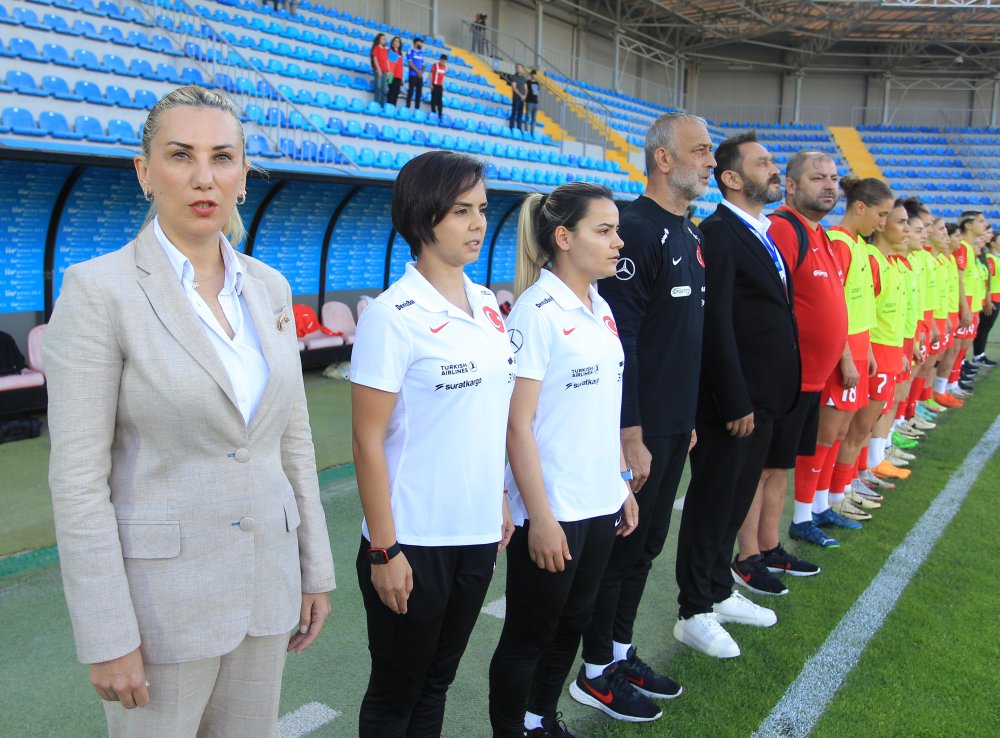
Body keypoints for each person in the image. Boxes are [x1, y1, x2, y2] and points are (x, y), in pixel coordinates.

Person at [45, 85, 335, 737]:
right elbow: (79, 482)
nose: (204, 177)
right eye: (180, 155)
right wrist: (106, 632)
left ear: (242, 174)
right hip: (160, 611)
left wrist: (313, 569)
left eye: (223, 157)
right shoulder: (98, 292)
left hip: (267, 586)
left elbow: (292, 441)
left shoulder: (269, 288)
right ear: (145, 173)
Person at [350, 151, 515, 737]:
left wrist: (496, 495)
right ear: (423, 217)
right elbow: (367, 443)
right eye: (460, 211)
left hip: (474, 533)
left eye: (482, 210)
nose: (477, 224)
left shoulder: (490, 305)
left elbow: (486, 416)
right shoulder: (392, 316)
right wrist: (384, 551)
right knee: (396, 695)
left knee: (436, 685)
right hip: (412, 540)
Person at [571, 113, 712, 722]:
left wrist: (686, 418)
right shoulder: (635, 228)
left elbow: (682, 338)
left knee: (647, 545)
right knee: (621, 549)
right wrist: (631, 433)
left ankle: (621, 652)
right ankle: (595, 670)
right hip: (641, 428)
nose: (710, 160)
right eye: (700, 150)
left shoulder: (691, 233)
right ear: (663, 158)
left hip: (675, 422)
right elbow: (622, 336)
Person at [488, 183, 641, 738]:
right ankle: (513, 730)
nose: (617, 242)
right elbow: (516, 423)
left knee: (572, 624)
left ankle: (540, 719)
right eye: (604, 230)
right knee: (530, 634)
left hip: (598, 500)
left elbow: (598, 411)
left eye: (615, 230)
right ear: (562, 238)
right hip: (552, 508)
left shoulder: (600, 307)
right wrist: (542, 516)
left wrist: (620, 484)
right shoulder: (536, 312)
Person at [672, 131, 799, 659]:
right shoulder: (720, 233)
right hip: (736, 403)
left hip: (763, 400)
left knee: (734, 501)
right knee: (712, 501)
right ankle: (694, 610)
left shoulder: (761, 230)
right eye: (763, 162)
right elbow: (716, 321)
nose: (773, 170)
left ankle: (719, 592)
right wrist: (734, 398)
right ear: (730, 178)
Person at [735, 151, 848, 573]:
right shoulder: (784, 229)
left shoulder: (819, 233)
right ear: (793, 186)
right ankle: (747, 556)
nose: (829, 185)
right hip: (784, 379)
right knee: (759, 471)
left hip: (811, 380)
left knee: (778, 467)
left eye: (834, 178)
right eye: (818, 178)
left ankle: (769, 546)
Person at [812, 178, 895, 531]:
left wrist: (868, 350)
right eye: (882, 213)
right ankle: (813, 507)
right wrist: (846, 355)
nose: (883, 222)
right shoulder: (839, 243)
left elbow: (859, 309)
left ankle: (833, 497)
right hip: (843, 354)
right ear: (859, 207)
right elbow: (833, 307)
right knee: (828, 436)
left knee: (845, 431)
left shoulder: (858, 247)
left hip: (861, 351)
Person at [405, 37, 425, 110]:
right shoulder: (410, 51)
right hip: (413, 74)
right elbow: (410, 62)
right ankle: (407, 107)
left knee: (419, 93)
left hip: (420, 76)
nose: (421, 44)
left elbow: (423, 64)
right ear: (416, 42)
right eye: (420, 43)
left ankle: (417, 109)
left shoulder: (421, 53)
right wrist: (417, 71)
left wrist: (422, 72)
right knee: (411, 91)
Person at [370, 33, 389, 106]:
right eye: (382, 39)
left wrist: (387, 71)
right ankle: (377, 104)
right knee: (378, 87)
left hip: (384, 71)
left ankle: (382, 105)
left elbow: (386, 60)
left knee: (384, 89)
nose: (384, 40)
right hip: (379, 71)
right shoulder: (376, 48)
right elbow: (375, 59)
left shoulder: (385, 50)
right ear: (379, 39)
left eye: (385, 39)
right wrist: (379, 69)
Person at [386, 36, 405, 106]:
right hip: (391, 74)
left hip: (399, 75)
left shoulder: (400, 53)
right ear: (392, 42)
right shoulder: (390, 50)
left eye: (398, 41)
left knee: (396, 93)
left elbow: (401, 65)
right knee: (391, 91)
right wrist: (388, 73)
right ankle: (389, 106)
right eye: (395, 41)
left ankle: (393, 107)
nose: (397, 42)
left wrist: (402, 76)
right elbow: (388, 62)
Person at [510, 64, 528, 131]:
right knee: (514, 113)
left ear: (522, 69)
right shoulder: (514, 77)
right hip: (516, 98)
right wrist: (521, 95)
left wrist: (525, 96)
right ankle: (511, 128)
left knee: (520, 114)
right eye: (517, 67)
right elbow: (514, 88)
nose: (518, 69)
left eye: (519, 67)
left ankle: (519, 129)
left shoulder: (524, 79)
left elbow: (526, 88)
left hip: (522, 99)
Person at [525, 69, 540, 136]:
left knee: (534, 118)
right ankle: (526, 130)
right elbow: (526, 90)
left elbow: (538, 91)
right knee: (528, 116)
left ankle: (532, 131)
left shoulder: (537, 83)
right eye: (533, 74)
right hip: (529, 101)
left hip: (535, 102)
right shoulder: (528, 82)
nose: (534, 76)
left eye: (535, 74)